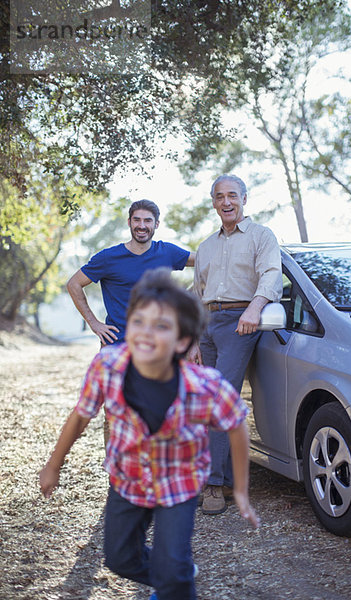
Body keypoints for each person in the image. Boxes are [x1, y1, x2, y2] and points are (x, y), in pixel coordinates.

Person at [40, 268, 259, 600]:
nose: (145, 333)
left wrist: (240, 489)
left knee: (173, 573)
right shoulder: (108, 367)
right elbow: (81, 415)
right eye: (139, 322)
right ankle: (174, 573)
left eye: (161, 326)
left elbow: (236, 424)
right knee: (120, 558)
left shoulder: (204, 386)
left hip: (179, 480)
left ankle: (175, 580)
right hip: (128, 479)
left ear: (183, 340)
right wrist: (54, 465)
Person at [190, 174, 282, 516]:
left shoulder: (262, 236)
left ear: (244, 198)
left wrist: (255, 309)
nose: (226, 202)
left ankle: (212, 484)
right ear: (213, 202)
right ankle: (225, 480)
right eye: (219, 197)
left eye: (232, 195)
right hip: (208, 326)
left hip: (241, 323)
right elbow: (198, 293)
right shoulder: (206, 247)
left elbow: (271, 274)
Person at [67, 199, 195, 346]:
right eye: (137, 220)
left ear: (156, 224)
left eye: (147, 221)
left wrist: (190, 295)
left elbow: (206, 261)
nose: (142, 226)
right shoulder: (108, 257)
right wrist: (94, 324)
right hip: (117, 344)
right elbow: (74, 284)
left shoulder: (168, 252)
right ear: (129, 222)